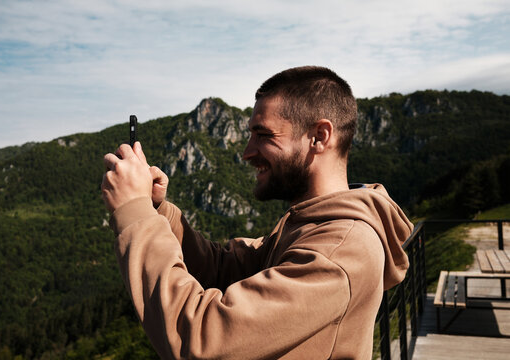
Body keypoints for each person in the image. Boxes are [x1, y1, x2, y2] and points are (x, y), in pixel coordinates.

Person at [101, 66, 413, 359]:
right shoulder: (309, 223)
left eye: (263, 136)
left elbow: (200, 338)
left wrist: (136, 215)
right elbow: (225, 269)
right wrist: (159, 210)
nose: (248, 152)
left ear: (319, 137)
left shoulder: (339, 250)